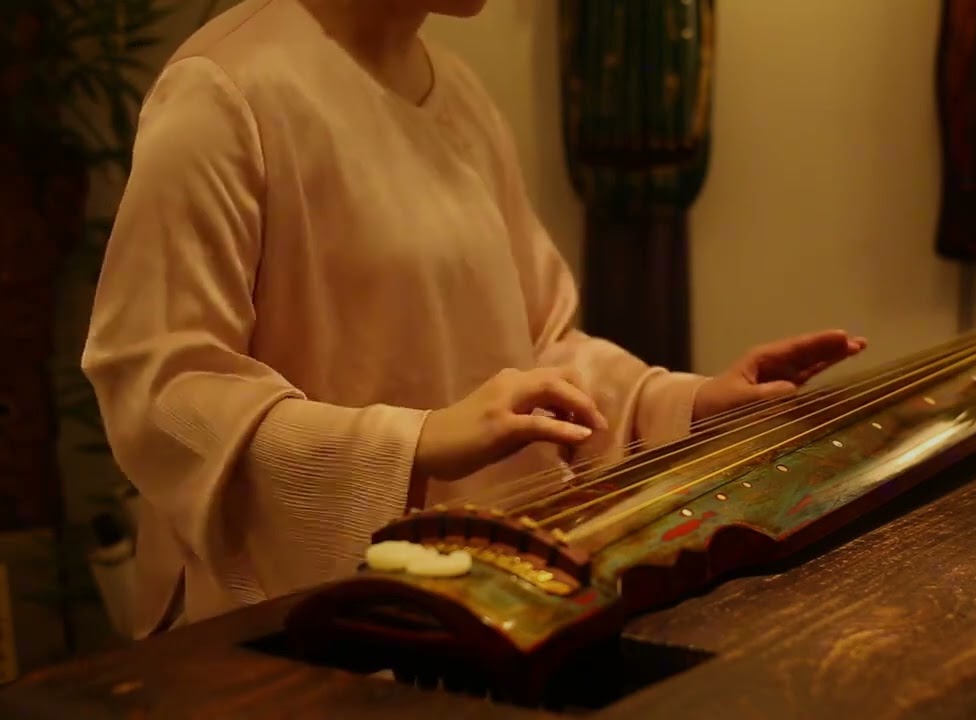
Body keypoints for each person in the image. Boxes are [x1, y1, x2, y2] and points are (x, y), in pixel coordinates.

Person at [81, 0, 867, 639]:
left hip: (480, 605)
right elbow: (164, 390)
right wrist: (414, 443)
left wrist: (687, 400)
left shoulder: (457, 92)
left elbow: (537, 343)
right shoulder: (223, 92)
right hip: (307, 634)